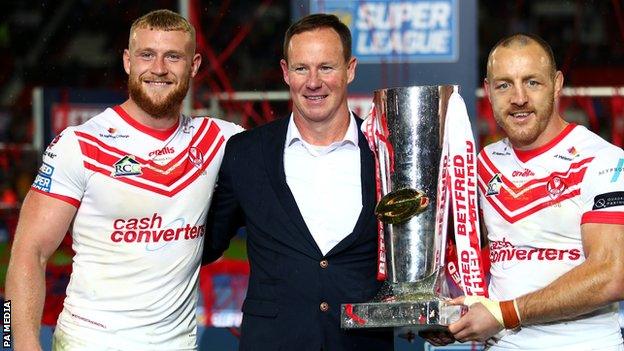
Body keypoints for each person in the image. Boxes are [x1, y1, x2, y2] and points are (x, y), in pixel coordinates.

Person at [5, 9, 242, 350]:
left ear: (194, 65)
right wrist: (19, 343)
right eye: (147, 55)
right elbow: (29, 251)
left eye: (173, 56)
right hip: (89, 342)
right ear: (128, 61)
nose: (159, 68)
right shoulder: (81, 144)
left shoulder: (221, 140)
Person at [203, 13, 393, 351]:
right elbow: (204, 244)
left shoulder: (386, 152)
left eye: (326, 67)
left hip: (362, 344)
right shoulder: (247, 153)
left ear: (350, 69)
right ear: (285, 72)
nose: (314, 82)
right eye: (302, 68)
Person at [429, 33, 624, 350]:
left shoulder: (602, 160)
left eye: (532, 82)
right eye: (504, 85)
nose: (518, 98)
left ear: (557, 84)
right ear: (489, 91)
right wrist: (451, 313)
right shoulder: (483, 164)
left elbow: (612, 274)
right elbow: (461, 258)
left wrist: (505, 314)